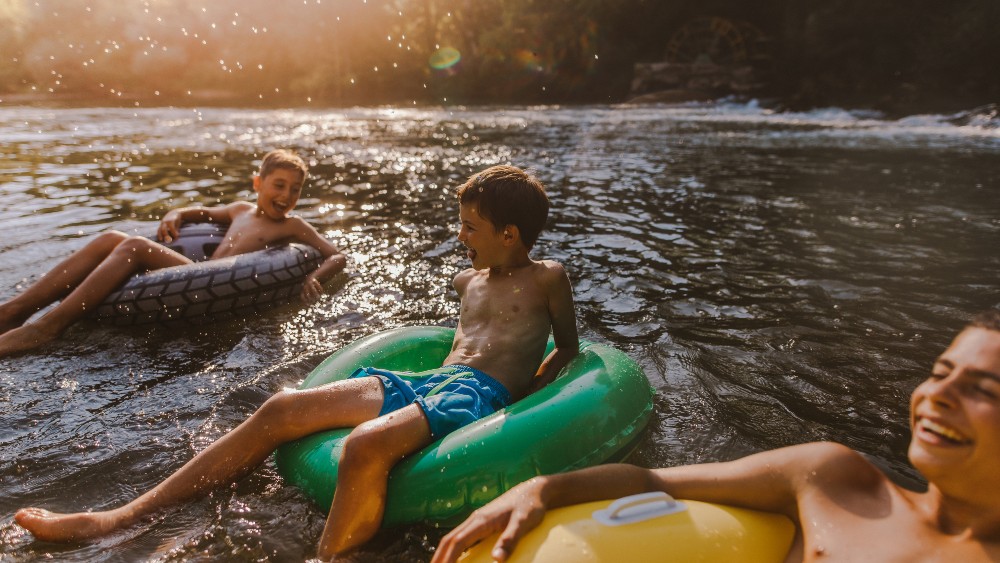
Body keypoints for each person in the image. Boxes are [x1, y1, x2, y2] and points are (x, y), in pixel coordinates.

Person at [14, 164, 580, 560]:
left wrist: (529, 393)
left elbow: (570, 351)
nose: (460, 237)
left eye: (470, 227)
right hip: (433, 380)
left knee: (364, 447)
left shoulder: (548, 278)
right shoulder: (468, 280)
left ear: (509, 234)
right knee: (281, 406)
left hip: (478, 394)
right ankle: (118, 518)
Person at [433, 309, 1000, 563]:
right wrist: (543, 490)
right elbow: (655, 481)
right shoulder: (835, 477)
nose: (938, 395)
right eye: (940, 371)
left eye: (984, 389)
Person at [0, 149, 347, 357]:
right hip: (196, 270)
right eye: (279, 185)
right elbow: (203, 214)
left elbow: (335, 255)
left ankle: (48, 326)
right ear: (259, 183)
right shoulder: (240, 209)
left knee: (134, 246)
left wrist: (316, 276)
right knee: (111, 237)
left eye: (295, 189)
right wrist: (175, 214)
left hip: (213, 276)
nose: (286, 196)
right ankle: (16, 311)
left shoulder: (292, 225)